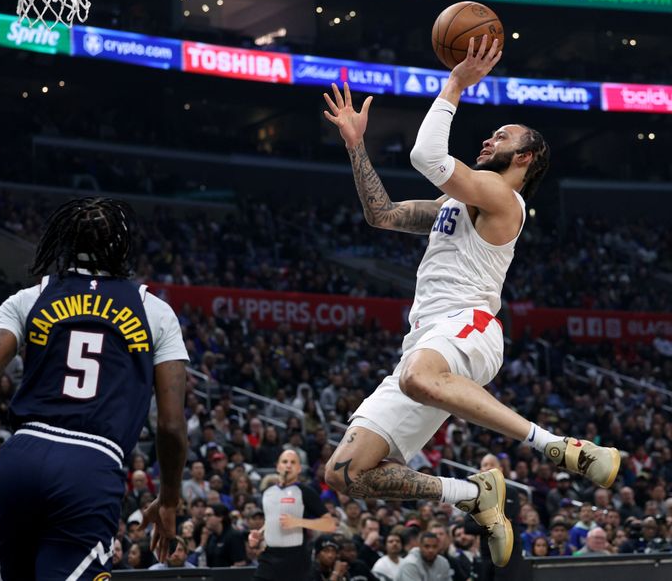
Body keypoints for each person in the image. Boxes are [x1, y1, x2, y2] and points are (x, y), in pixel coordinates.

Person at [321, 34, 619, 570]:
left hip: (468, 326)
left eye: (499, 136)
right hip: (426, 344)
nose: (488, 139)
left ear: (524, 157)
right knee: (346, 474)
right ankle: (474, 495)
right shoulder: (452, 201)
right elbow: (381, 214)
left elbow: (426, 155)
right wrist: (355, 146)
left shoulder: (505, 198)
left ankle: (561, 446)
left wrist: (456, 83)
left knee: (416, 375)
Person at [0, 197, 189, 580]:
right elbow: (170, 426)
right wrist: (168, 498)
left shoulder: (29, 298)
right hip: (89, 463)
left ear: (64, 241)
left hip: (21, 455)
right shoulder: (154, 311)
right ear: (122, 245)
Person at [250, 449, 337, 581]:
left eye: (293, 462)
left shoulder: (305, 492)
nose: (288, 465)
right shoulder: (268, 492)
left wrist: (298, 522)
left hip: (295, 559)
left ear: (299, 469)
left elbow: (330, 524)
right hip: (269, 557)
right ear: (278, 467)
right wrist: (260, 534)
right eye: (285, 462)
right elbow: (272, 520)